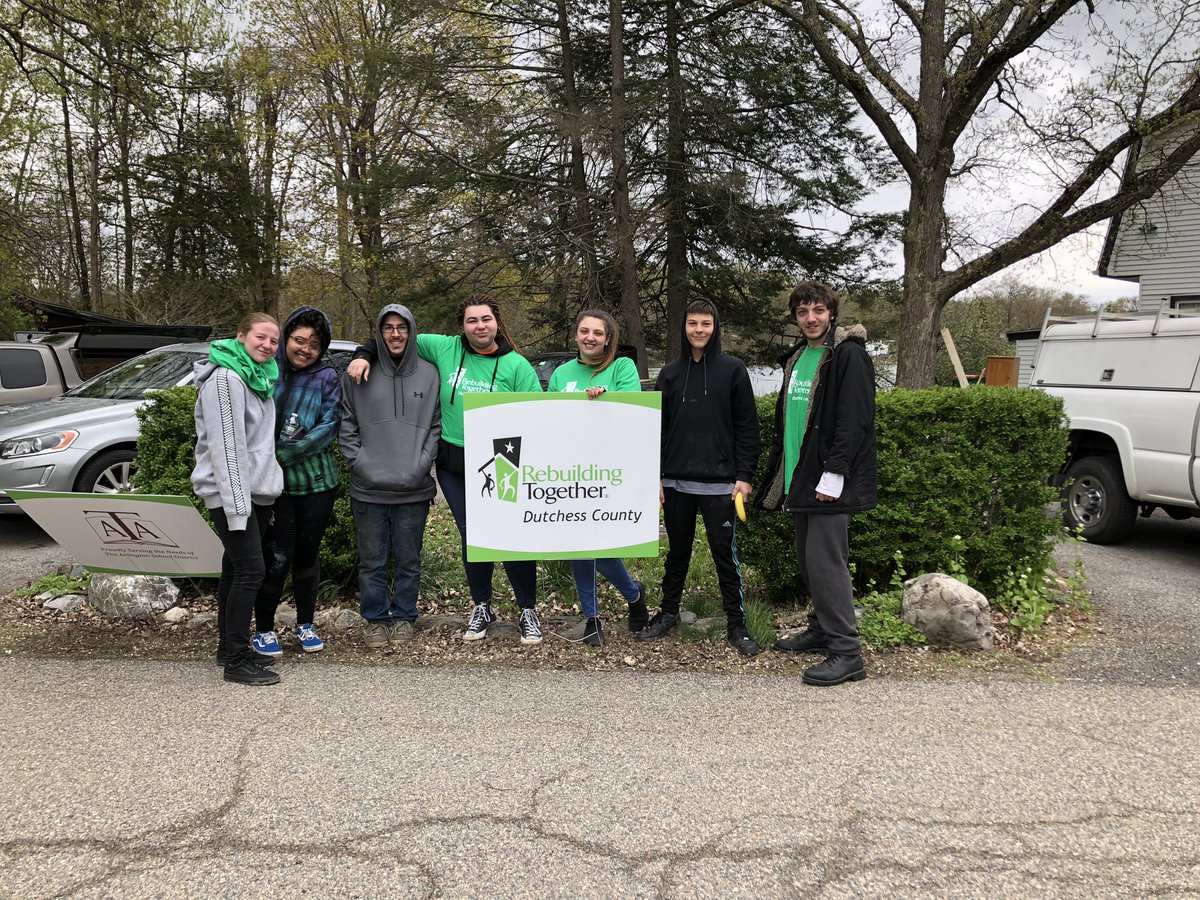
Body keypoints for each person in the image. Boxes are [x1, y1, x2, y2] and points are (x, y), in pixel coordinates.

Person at [347, 295, 545, 644]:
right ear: (462, 326)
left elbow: (535, 417)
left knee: (510, 536)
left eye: (485, 319)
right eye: (472, 320)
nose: (479, 326)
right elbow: (392, 334)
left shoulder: (518, 366)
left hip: (502, 461)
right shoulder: (444, 348)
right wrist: (363, 354)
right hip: (454, 464)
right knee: (473, 536)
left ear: (497, 322)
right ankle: (482, 605)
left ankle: (528, 608)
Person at [757, 280, 877, 686]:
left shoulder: (847, 356)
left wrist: (835, 473)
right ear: (795, 316)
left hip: (827, 480)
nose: (811, 318)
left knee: (827, 565)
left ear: (831, 313)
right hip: (799, 476)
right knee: (810, 562)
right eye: (803, 312)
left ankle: (847, 653)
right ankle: (821, 628)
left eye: (818, 311)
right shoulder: (797, 358)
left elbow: (854, 421)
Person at [635, 298, 762, 656]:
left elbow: (747, 428)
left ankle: (737, 625)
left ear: (715, 327)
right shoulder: (670, 373)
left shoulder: (734, 370)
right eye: (693, 324)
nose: (699, 330)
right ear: (684, 327)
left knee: (725, 556)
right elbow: (657, 428)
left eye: (706, 324)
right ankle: (669, 613)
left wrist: (745, 476)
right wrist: (655, 474)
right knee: (677, 553)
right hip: (676, 482)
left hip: (722, 484)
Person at [340, 305, 441, 650]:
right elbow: (347, 423)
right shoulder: (358, 373)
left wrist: (423, 461)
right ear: (379, 334)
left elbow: (437, 425)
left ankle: (404, 617)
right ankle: (376, 620)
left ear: (412, 332)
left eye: (402, 328)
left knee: (409, 560)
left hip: (413, 488)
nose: (396, 334)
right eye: (388, 328)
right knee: (372, 562)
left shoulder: (430, 373)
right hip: (368, 489)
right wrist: (360, 462)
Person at [192, 312, 284, 686]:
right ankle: (237, 660)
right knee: (251, 571)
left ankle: (228, 647)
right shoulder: (226, 379)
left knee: (234, 567)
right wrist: (236, 508)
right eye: (260, 337)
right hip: (233, 494)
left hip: (256, 492)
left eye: (274, 341)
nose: (267, 345)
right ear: (241, 336)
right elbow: (226, 448)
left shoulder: (256, 378)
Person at [547, 309, 649, 646]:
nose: (590, 337)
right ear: (576, 335)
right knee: (580, 544)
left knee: (601, 544)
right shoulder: (562, 374)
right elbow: (547, 419)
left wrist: (606, 401)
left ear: (608, 338)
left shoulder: (621, 368)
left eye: (598, 333)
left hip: (610, 470)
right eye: (584, 331)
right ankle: (592, 618)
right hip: (570, 471)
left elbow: (633, 410)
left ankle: (633, 595)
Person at [250, 307, 342, 658]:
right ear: (286, 339)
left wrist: (281, 453)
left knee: (307, 555)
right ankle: (264, 629)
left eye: (314, 344)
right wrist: (267, 459)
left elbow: (328, 426)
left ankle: (305, 623)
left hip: (317, 484)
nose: (305, 349)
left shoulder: (328, 378)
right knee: (275, 557)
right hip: (274, 486)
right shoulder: (267, 371)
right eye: (299, 340)